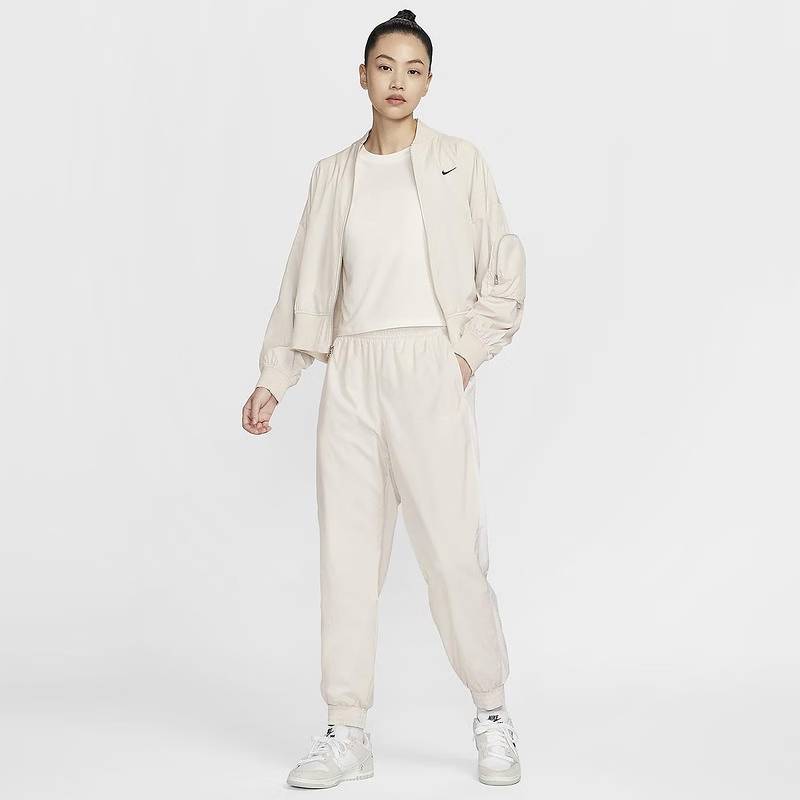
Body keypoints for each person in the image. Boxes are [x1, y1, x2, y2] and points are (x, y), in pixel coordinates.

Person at [241, 9, 526, 789]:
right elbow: (303, 281)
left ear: (428, 82)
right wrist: (275, 376)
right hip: (353, 372)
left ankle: (492, 713)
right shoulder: (333, 174)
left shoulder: (459, 162)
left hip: (429, 362)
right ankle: (347, 730)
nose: (398, 80)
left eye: (413, 68)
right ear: (362, 76)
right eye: (384, 65)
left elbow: (505, 267)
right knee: (347, 557)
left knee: (453, 554)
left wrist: (462, 356)